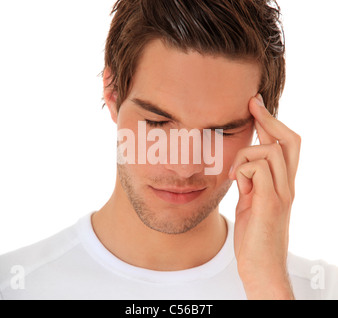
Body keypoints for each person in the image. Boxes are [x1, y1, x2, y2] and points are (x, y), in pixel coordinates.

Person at [1, 0, 337, 300]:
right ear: (113, 93)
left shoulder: (319, 290)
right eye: (158, 123)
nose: (183, 167)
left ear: (263, 127)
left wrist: (268, 287)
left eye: (221, 131)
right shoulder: (13, 286)